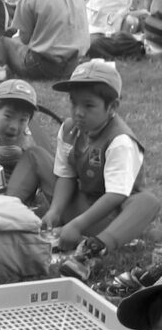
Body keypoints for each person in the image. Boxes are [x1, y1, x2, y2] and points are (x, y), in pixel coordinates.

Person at [8, 60, 160, 281]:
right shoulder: (70, 128)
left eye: (89, 106)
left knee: (147, 201)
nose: (78, 112)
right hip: (81, 201)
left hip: (110, 218)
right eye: (74, 103)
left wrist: (77, 225)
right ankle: (4, 213)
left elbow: (116, 195)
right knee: (35, 155)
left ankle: (93, 249)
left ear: (112, 107)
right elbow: (66, 175)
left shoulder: (121, 141)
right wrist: (56, 211)